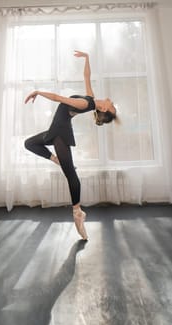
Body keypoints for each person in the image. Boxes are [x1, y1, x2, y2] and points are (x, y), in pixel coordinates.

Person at [24, 51, 118, 240]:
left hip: (60, 134)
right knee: (29, 143)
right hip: (56, 129)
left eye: (112, 105)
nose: (112, 101)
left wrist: (38, 92)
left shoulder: (85, 103)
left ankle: (77, 212)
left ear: (105, 108)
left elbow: (59, 98)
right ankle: (55, 159)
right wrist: (88, 57)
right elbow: (87, 76)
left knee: (70, 174)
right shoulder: (91, 99)